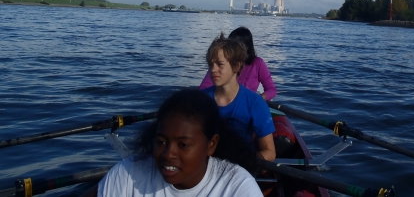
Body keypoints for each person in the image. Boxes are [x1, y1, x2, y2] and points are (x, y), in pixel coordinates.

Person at [88, 89, 262, 197]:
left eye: (183, 145)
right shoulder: (127, 174)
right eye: (161, 142)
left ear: (211, 144)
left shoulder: (238, 186)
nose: (168, 154)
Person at [201, 33, 276, 162]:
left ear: (236, 66)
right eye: (210, 64)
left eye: (220, 64)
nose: (213, 70)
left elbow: (270, 153)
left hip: (238, 167)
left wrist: (244, 160)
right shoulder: (200, 100)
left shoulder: (255, 104)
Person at [199, 27, 277, 101]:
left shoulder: (258, 63)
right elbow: (203, 89)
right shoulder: (220, 65)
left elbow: (271, 90)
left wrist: (257, 99)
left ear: (245, 48)